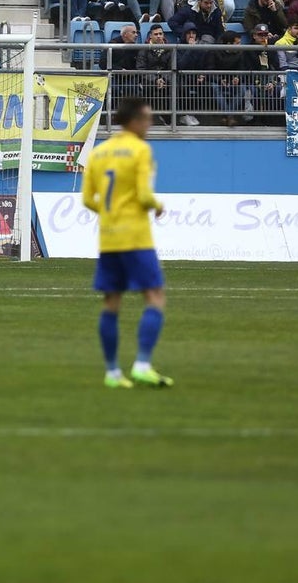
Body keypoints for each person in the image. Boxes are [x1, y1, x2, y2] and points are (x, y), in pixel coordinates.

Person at [80, 95, 171, 389]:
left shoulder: (98, 153)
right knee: (154, 296)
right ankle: (142, 365)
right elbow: (144, 195)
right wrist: (158, 205)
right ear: (134, 121)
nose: (150, 124)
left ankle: (112, 373)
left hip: (109, 238)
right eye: (147, 118)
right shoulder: (140, 150)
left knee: (111, 303)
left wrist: (110, 213)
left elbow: (87, 199)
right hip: (135, 236)